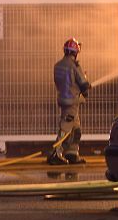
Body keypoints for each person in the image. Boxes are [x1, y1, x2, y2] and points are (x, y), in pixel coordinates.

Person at [47, 36, 91, 165]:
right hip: (72, 102)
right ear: (75, 52)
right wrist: (86, 87)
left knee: (76, 129)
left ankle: (72, 153)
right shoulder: (74, 66)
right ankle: (56, 153)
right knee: (66, 128)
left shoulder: (58, 65)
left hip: (64, 100)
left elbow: (63, 83)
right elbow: (83, 83)